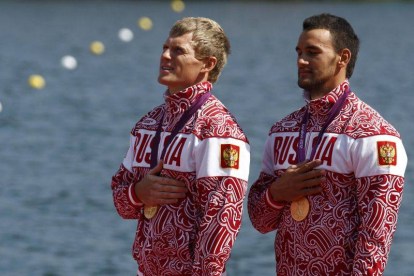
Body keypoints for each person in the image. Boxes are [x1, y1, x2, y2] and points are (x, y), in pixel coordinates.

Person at [248, 13, 407, 276]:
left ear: (342, 58)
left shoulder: (375, 136)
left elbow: (375, 241)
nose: (301, 60)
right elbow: (260, 222)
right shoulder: (281, 131)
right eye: (299, 52)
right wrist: (276, 194)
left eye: (313, 52)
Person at [111, 17, 250, 276]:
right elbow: (122, 203)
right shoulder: (147, 124)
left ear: (207, 64)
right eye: (165, 48)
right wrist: (139, 193)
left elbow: (223, 219)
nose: (165, 56)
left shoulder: (220, 131)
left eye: (178, 51)